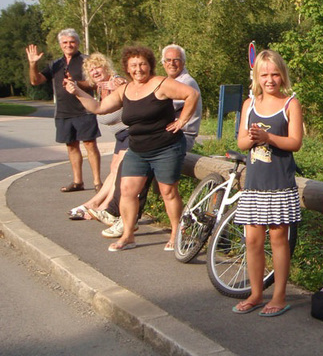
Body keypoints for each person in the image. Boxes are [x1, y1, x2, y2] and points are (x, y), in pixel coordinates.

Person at [65, 45, 199, 252]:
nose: (138, 69)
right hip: (138, 149)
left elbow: (191, 94)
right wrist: (78, 92)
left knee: (168, 192)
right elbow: (99, 108)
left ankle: (175, 233)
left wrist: (182, 120)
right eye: (134, 65)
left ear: (150, 66)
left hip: (166, 147)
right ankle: (128, 235)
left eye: (142, 64)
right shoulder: (125, 90)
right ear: (127, 68)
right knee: (127, 191)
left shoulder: (161, 83)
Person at [98, 44, 203, 238]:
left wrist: (181, 120)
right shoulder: (161, 82)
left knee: (161, 186)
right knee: (124, 173)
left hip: (177, 137)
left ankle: (127, 218)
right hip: (148, 140)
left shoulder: (181, 81)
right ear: (162, 63)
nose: (172, 64)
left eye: (176, 60)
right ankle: (117, 217)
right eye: (168, 60)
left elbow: (156, 104)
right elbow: (105, 112)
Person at [232, 49, 303, 317]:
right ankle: (256, 293)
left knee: (278, 239)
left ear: (282, 75)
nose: (270, 79)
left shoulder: (290, 104)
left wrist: (268, 137)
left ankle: (279, 296)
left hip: (280, 184)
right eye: (264, 74)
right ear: (256, 77)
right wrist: (252, 137)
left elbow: (295, 142)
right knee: (252, 240)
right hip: (254, 184)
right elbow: (240, 142)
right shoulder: (249, 104)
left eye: (274, 74)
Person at [26, 28, 102, 193]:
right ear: (60, 45)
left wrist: (76, 84)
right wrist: (33, 64)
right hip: (63, 111)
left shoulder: (87, 61)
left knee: (90, 144)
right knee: (71, 146)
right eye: (65, 42)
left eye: (72, 42)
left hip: (85, 109)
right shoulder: (55, 64)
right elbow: (35, 80)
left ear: (78, 43)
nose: (69, 45)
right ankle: (77, 182)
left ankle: (97, 182)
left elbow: (96, 83)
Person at [67, 53, 126, 221]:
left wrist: (120, 84)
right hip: (121, 136)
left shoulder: (116, 82)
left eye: (97, 67)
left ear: (106, 67)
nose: (95, 72)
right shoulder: (101, 88)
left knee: (116, 171)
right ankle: (95, 205)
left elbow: (127, 88)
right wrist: (77, 90)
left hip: (131, 133)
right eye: (91, 70)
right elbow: (97, 106)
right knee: (113, 171)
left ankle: (104, 207)